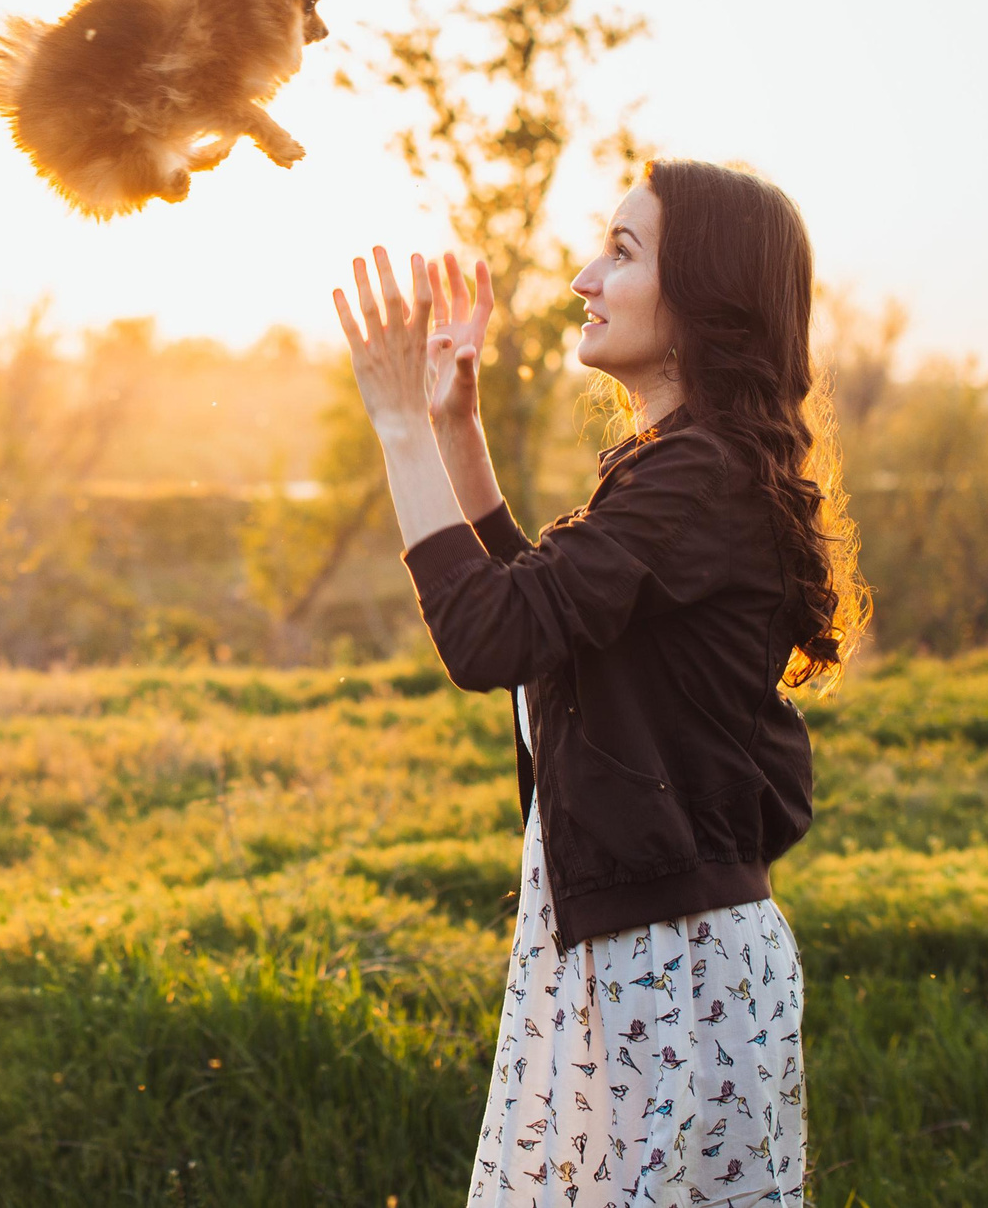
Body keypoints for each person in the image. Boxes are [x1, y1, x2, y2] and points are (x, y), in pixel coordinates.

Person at [333, 158, 864, 1207]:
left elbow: (489, 639)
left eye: (622, 251)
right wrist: (453, 431)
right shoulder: (684, 468)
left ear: (704, 294)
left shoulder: (695, 476)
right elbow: (547, 631)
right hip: (641, 951)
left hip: (664, 970)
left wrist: (395, 425)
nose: (584, 275)